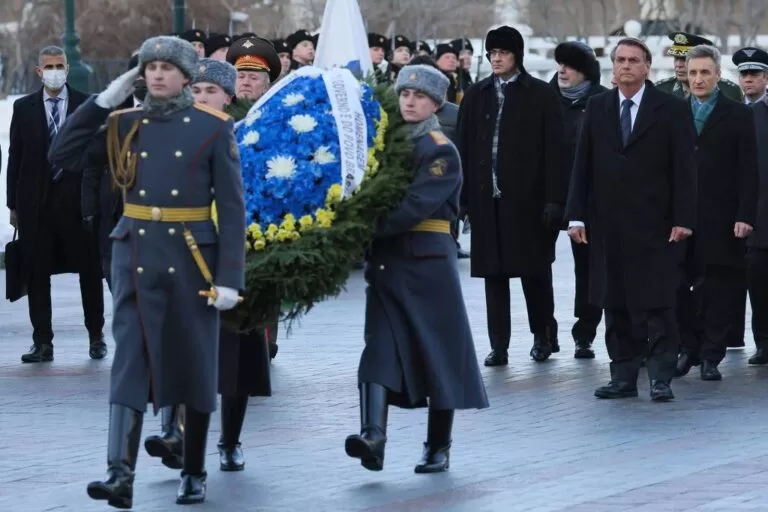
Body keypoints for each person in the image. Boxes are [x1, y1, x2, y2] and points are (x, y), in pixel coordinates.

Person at [48, 35, 245, 507]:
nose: (156, 74)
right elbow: (62, 154)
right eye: (149, 67)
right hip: (135, 252)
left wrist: (229, 279)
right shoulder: (123, 122)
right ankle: (119, 474)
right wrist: (103, 100)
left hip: (193, 255)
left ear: (186, 76)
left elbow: (233, 210)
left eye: (166, 67)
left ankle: (194, 469)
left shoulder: (213, 128)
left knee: (192, 363)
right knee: (131, 360)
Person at [346, 63, 488, 474]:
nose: (410, 101)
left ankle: (438, 446)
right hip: (388, 261)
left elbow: (413, 207)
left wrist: (357, 225)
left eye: (420, 97)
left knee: (437, 352)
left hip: (427, 262)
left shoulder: (439, 148)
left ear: (435, 105)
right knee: (379, 349)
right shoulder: (383, 145)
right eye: (405, 94)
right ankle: (373, 436)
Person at [565, 37, 697, 402]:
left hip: (657, 225)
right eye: (620, 60)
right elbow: (583, 166)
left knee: (658, 304)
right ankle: (623, 376)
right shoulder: (598, 107)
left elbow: (685, 168)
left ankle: (660, 377)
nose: (626, 66)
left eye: (633, 60)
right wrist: (575, 215)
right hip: (608, 225)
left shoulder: (669, 108)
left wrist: (684, 217)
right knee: (616, 303)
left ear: (647, 66)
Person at [457, 26, 567, 367]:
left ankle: (542, 336)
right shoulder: (476, 95)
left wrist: (554, 200)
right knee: (494, 275)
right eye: (491, 53)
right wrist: (462, 201)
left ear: (516, 55)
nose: (496, 59)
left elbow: (556, 150)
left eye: (502, 53)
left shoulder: (540, 95)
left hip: (529, 202)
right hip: (486, 202)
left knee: (535, 273)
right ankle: (499, 344)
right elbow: (462, 148)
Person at [7, 45, 105, 363]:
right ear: (38, 71)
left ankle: (96, 336)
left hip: (77, 204)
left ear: (67, 68)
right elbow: (15, 158)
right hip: (37, 204)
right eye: (48, 66)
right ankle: (43, 342)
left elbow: (97, 156)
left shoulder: (86, 105)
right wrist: (13, 206)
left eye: (59, 65)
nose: (54, 71)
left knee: (89, 271)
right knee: (38, 272)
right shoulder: (23, 108)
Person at [673, 45, 758, 381]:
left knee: (720, 288)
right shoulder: (673, 112)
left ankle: (711, 354)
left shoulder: (738, 114)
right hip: (681, 216)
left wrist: (745, 215)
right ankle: (688, 346)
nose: (698, 79)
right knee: (677, 284)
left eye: (705, 72)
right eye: (693, 72)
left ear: (718, 75)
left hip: (723, 217)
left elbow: (748, 170)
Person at [551, 41, 608, 359]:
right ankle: (544, 334)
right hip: (552, 198)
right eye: (560, 64)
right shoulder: (547, 100)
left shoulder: (600, 101)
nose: (562, 70)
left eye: (569, 65)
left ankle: (585, 331)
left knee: (590, 267)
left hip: (590, 199)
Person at [81, 51, 144, 292]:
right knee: (122, 298)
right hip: (114, 219)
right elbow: (90, 166)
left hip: (157, 227)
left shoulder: (179, 116)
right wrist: (89, 212)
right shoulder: (113, 116)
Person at [656, 32, 742, 101]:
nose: (678, 65)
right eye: (676, 59)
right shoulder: (661, 90)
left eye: (684, 59)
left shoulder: (729, 91)